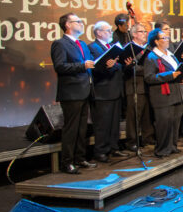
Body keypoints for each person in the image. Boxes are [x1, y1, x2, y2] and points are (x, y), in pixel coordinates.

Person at [50, 13, 97, 174]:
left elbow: (89, 63)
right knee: (71, 128)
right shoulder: (60, 44)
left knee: (82, 128)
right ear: (68, 25)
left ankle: (80, 158)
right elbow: (60, 66)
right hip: (71, 92)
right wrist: (82, 65)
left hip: (85, 90)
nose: (81, 23)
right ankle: (67, 162)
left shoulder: (82, 44)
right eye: (77, 21)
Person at [144, 28, 183, 157]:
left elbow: (177, 71)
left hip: (177, 93)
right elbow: (149, 78)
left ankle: (172, 146)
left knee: (175, 122)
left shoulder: (171, 54)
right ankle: (162, 149)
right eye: (164, 38)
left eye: (167, 38)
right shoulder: (152, 57)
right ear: (156, 41)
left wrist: (182, 76)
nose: (167, 40)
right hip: (163, 96)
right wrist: (171, 75)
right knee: (164, 124)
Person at [88, 21, 127, 162]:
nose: (111, 33)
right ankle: (101, 151)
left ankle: (114, 148)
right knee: (103, 124)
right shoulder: (93, 47)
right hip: (102, 91)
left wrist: (120, 63)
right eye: (108, 30)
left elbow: (118, 65)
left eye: (110, 30)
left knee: (114, 123)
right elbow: (95, 68)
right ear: (98, 32)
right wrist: (109, 65)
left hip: (115, 89)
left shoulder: (111, 46)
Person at [123, 22, 155, 151]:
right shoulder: (130, 48)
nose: (144, 34)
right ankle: (132, 141)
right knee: (134, 115)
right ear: (134, 34)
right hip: (135, 85)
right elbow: (131, 67)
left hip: (147, 85)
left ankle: (147, 137)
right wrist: (149, 69)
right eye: (142, 31)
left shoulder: (147, 48)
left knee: (147, 114)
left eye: (145, 31)